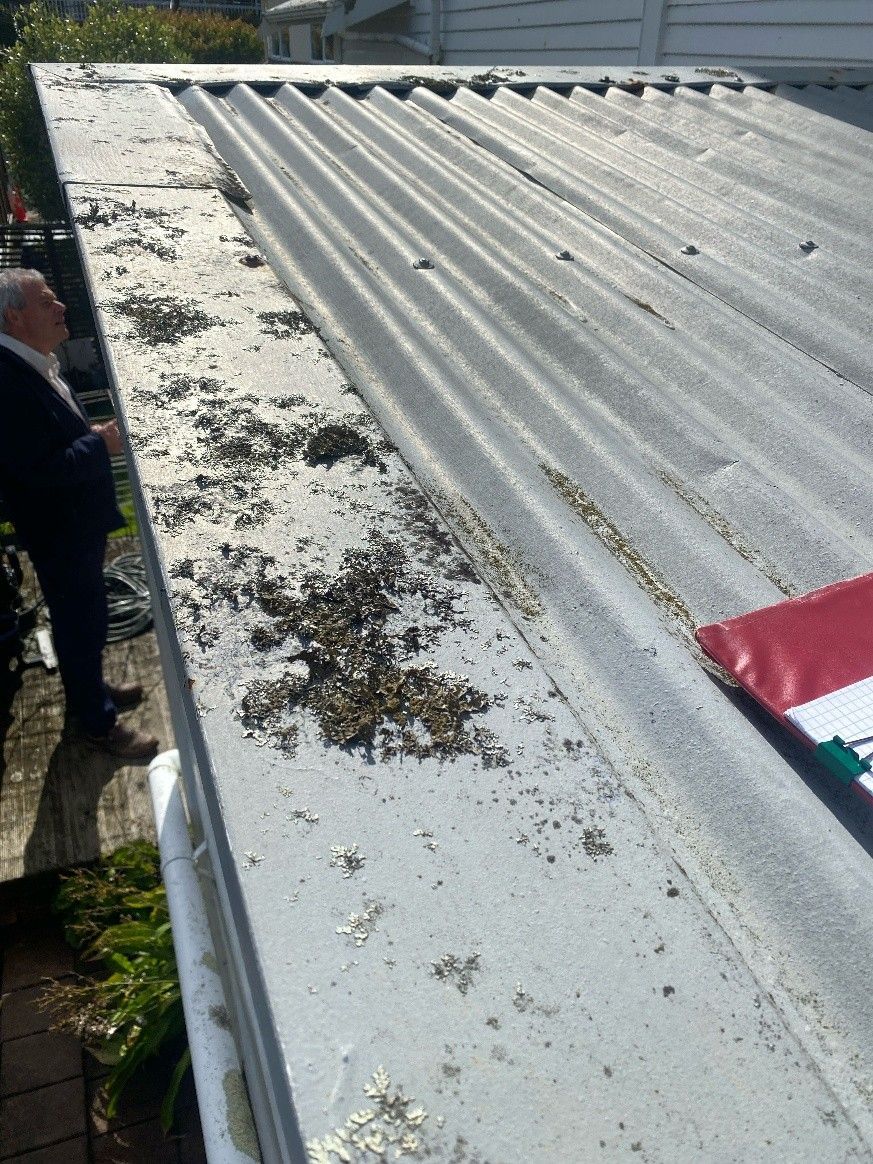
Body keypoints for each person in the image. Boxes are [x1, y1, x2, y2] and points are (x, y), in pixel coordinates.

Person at [0, 268, 158, 758]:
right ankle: (97, 722)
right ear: (14, 317)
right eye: (47, 302)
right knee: (77, 622)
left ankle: (89, 690)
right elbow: (36, 472)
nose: (61, 306)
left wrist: (89, 440)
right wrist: (101, 442)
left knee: (86, 621)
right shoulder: (7, 380)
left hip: (74, 525)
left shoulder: (34, 361)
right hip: (59, 531)